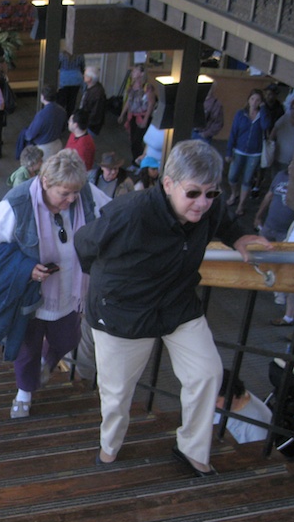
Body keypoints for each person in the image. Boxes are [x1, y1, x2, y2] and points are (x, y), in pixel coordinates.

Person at [74, 139, 272, 476]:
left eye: (211, 194)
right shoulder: (130, 213)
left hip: (176, 304)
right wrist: (117, 285)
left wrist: (239, 236)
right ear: (168, 184)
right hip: (124, 313)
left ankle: (192, 449)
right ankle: (109, 448)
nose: (203, 203)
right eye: (193, 193)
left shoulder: (207, 210)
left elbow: (223, 220)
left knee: (207, 373)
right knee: (118, 392)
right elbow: (85, 245)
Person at [0, 149, 109, 418]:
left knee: (68, 338)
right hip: (30, 294)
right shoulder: (16, 203)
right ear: (45, 182)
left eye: (75, 192)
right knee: (27, 348)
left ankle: (44, 364)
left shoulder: (84, 193)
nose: (72, 199)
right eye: (65, 193)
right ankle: (24, 393)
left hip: (70, 291)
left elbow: (112, 214)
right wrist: (26, 268)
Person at [225, 88, 271, 216]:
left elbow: (265, 126)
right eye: (252, 99)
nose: (254, 102)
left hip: (254, 153)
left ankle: (241, 205)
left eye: (258, 100)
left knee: (247, 179)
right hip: (239, 150)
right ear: (248, 100)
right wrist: (229, 151)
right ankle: (234, 193)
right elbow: (233, 132)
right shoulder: (240, 114)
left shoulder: (262, 115)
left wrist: (263, 109)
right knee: (232, 176)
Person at [214, 370, 272, 444]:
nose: (211, 406)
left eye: (216, 401)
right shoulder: (227, 402)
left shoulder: (257, 423)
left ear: (231, 396)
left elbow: (257, 452)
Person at [16, 85, 67, 161]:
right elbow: (63, 128)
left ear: (42, 97)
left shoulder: (41, 115)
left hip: (43, 147)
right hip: (57, 143)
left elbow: (30, 135)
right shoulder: (62, 111)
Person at [118, 63, 156, 159]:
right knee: (132, 140)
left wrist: (145, 120)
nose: (133, 72)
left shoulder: (147, 88)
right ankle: (134, 162)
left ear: (142, 73)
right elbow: (129, 101)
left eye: (135, 71)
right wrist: (122, 114)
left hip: (142, 116)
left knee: (137, 140)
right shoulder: (131, 86)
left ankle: (140, 161)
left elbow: (151, 104)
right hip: (132, 115)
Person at [270, 96, 294, 173]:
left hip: (291, 160)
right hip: (277, 155)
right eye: (292, 108)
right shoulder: (285, 118)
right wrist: (269, 146)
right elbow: (274, 129)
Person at [78, 66, 108, 136]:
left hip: (90, 126)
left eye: (85, 75)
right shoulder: (92, 87)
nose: (83, 76)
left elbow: (95, 114)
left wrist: (83, 123)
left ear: (90, 79)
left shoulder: (97, 94)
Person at [56, 50, 85, 115]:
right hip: (76, 79)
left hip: (64, 80)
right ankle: (69, 117)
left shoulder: (61, 54)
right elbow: (82, 67)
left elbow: (57, 66)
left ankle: (60, 116)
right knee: (72, 100)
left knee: (62, 100)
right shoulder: (80, 54)